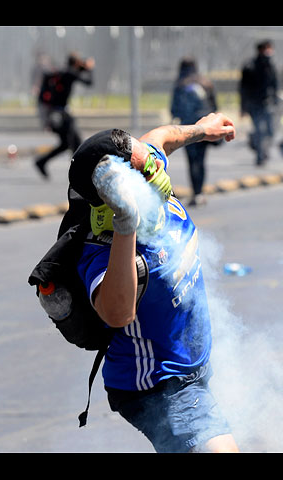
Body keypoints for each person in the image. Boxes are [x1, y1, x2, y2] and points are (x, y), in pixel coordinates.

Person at [67, 112, 239, 453]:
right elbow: (117, 314)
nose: (156, 170)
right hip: (158, 386)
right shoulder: (102, 251)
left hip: (191, 366)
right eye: (145, 172)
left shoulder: (148, 172)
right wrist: (126, 222)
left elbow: (161, 138)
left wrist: (201, 130)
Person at [34, 52, 95, 179]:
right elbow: (89, 82)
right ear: (75, 63)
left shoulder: (63, 72)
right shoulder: (69, 73)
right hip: (61, 115)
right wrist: (90, 69)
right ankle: (80, 174)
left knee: (67, 143)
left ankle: (42, 161)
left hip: (56, 114)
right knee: (76, 142)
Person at [170, 57, 219, 206]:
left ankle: (195, 192)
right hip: (204, 127)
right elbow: (214, 106)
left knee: (192, 161)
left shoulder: (180, 85)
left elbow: (174, 109)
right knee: (201, 160)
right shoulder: (205, 82)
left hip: (188, 128)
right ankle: (200, 192)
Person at [239, 40, 278, 166]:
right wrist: (243, 106)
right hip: (254, 104)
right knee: (260, 130)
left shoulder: (270, 66)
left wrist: (275, 100)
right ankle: (261, 155)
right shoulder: (250, 66)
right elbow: (243, 88)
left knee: (270, 130)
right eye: (267, 49)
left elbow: (274, 85)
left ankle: (259, 145)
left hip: (268, 103)